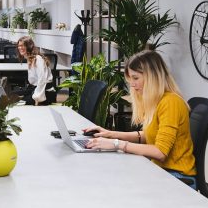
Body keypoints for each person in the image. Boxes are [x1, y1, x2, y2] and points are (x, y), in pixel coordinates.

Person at [84, 50, 197, 189]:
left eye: (136, 78)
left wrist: (117, 144)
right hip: (161, 171)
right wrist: (110, 134)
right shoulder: (157, 100)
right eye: (130, 79)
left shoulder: (171, 102)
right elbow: (150, 134)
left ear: (153, 76)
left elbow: (160, 152)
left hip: (178, 178)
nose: (131, 84)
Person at [14, 36, 56, 105]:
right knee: (12, 95)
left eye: (22, 46)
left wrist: (37, 98)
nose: (20, 48)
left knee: (18, 102)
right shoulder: (30, 59)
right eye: (19, 46)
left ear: (29, 46)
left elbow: (42, 80)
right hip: (35, 88)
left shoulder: (38, 59)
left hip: (45, 92)